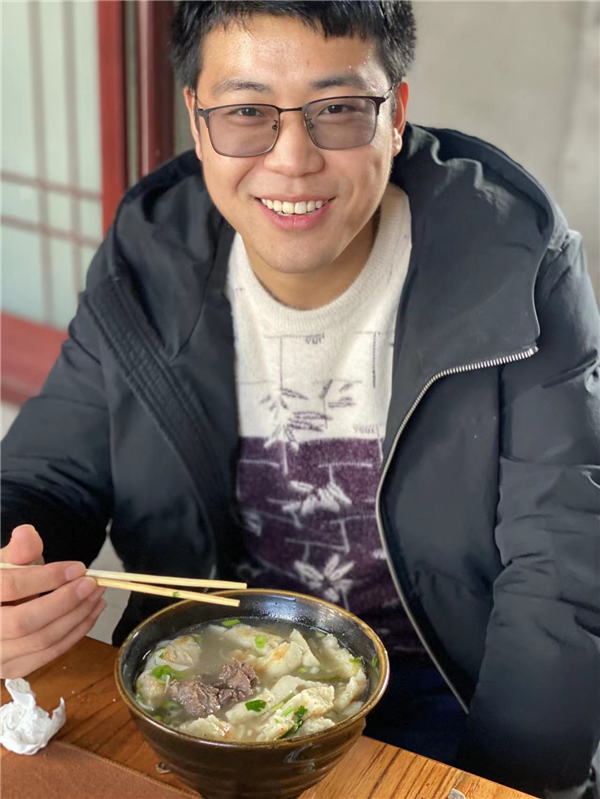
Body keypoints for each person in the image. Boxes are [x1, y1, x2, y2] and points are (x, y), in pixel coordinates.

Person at [1, 1, 598, 795]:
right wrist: (9, 566)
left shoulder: (515, 260)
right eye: (247, 112)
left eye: (339, 109)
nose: (292, 161)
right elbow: (47, 478)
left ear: (396, 114)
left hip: (449, 695)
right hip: (201, 691)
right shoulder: (148, 256)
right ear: (198, 118)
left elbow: (562, 566)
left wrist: (507, 784)